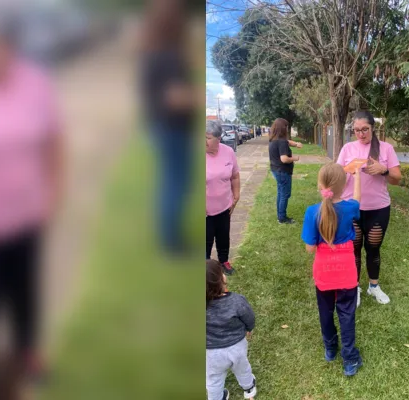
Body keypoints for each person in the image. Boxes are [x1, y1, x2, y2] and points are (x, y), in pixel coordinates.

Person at [0, 6, 63, 379]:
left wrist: (53, 196)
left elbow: (53, 143)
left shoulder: (33, 82)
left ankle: (27, 354)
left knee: (25, 294)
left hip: (26, 216)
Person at [140, 0, 198, 255]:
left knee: (172, 182)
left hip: (162, 127)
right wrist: (197, 96)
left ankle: (168, 236)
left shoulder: (153, 50)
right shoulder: (168, 55)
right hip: (172, 128)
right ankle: (171, 242)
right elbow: (173, 97)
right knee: (176, 183)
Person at [301, 163, 363, 376]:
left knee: (325, 312)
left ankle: (330, 349)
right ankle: (349, 359)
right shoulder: (350, 208)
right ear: (344, 185)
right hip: (346, 271)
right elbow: (357, 200)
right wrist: (357, 176)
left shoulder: (312, 212)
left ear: (320, 185)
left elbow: (310, 249)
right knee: (347, 314)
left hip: (323, 273)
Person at [336, 111, 401, 306]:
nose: (361, 134)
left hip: (378, 208)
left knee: (373, 248)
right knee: (353, 249)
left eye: (365, 129)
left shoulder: (386, 148)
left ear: (373, 128)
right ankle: (354, 287)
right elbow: (336, 177)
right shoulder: (347, 149)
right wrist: (347, 170)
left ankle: (374, 286)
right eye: (357, 130)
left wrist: (384, 170)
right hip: (351, 209)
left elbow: (397, 179)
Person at [206, 259, 257, 400]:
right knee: (242, 368)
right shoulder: (236, 301)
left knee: (213, 379)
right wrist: (249, 328)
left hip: (210, 353)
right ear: (220, 280)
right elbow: (249, 317)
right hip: (237, 348)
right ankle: (249, 388)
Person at [206, 120, 240, 275]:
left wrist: (236, 194)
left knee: (223, 235)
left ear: (218, 139)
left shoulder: (228, 152)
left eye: (207, 137)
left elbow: (235, 176)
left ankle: (223, 261)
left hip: (224, 206)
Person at [268, 118, 302, 224]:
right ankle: (282, 218)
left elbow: (288, 142)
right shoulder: (281, 142)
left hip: (276, 170)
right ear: (283, 128)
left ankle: (280, 215)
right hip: (282, 171)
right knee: (285, 194)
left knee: (280, 193)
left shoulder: (274, 140)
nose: (287, 129)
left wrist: (296, 144)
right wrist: (294, 158)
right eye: (286, 127)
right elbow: (284, 159)